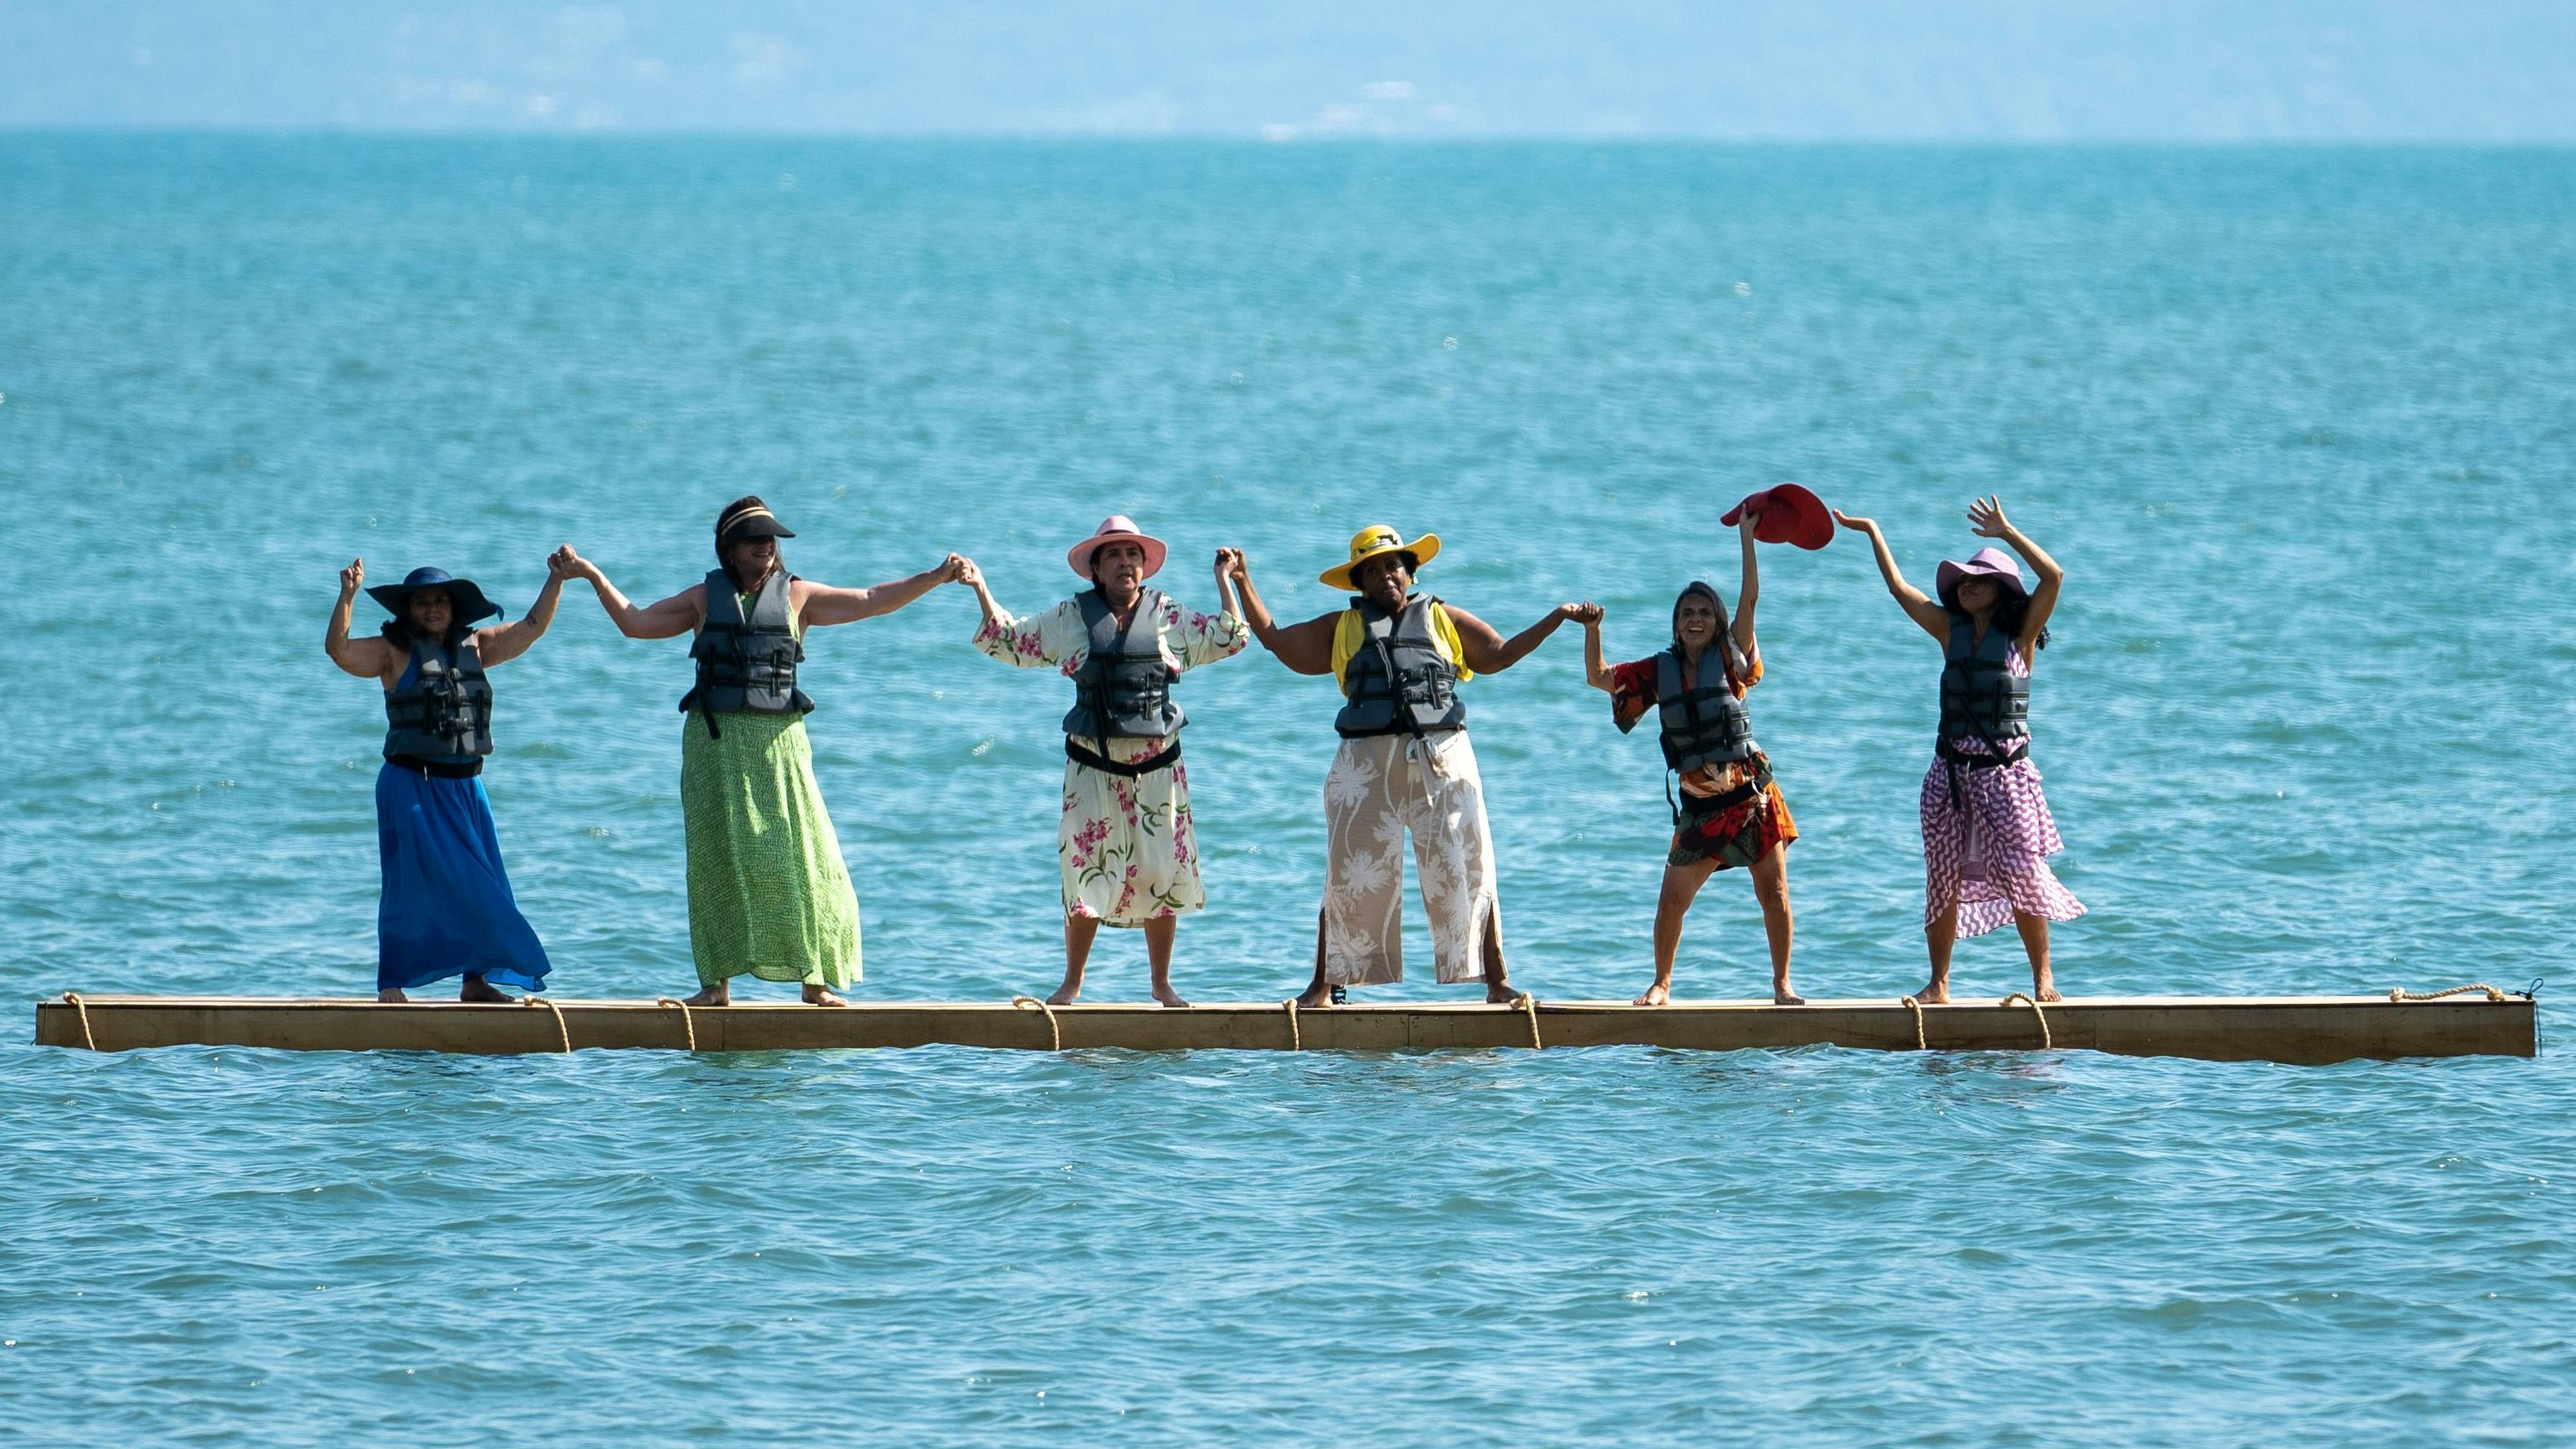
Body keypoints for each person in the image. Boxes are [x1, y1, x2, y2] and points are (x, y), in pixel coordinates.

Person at [559, 496, 965, 1006]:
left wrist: (935, 576)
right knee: (717, 858)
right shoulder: (703, 600)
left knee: (805, 856)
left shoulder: (798, 596)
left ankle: (815, 982)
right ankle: (715, 986)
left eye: (771, 538)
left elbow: (871, 597)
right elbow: (635, 622)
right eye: (754, 539)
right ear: (729, 549)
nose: (766, 546)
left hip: (780, 748)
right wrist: (592, 575)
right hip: (714, 749)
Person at [1229, 526, 1583, 1008]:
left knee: (1471, 865)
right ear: (1359, 582)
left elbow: (1499, 655)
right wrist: (1243, 580)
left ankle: (1497, 982)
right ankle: (1323, 986)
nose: (1385, 576)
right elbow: (1276, 641)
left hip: (1443, 756)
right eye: (1371, 570)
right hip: (1365, 763)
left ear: (1410, 572)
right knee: (1346, 873)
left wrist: (1557, 618)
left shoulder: (1440, 618)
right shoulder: (1343, 627)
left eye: (1393, 565)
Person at [958, 517, 1252, 1006]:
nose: (1125, 563)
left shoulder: (1167, 615)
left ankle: (1162, 985)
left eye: (1133, 555)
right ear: (1095, 569)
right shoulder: (1071, 618)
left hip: (1159, 770)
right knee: (1083, 873)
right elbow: (1008, 639)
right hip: (1092, 769)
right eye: (1113, 555)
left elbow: (1231, 636)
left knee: (1160, 873)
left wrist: (1225, 580)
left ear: (1144, 566)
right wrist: (980, 587)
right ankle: (1072, 983)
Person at [1835, 496, 2080, 1005]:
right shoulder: (1950, 631)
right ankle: (1938, 984)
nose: (1967, 585)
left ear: (2002, 590)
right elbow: (1899, 589)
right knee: (1941, 879)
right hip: (1947, 775)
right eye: (1963, 580)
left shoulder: (2021, 635)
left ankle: (2043, 979)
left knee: (2023, 872)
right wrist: (1873, 531)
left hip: (2004, 776)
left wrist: (2007, 532)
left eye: (1979, 579)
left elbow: (2054, 577)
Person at [1578, 501, 1802, 1006]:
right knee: (1671, 903)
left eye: (1704, 612)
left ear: (1718, 621)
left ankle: (1782, 985)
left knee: (1774, 895)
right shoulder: (1658, 671)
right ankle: (1661, 984)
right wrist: (1593, 632)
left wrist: (1747, 539)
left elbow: (1751, 597)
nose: (1695, 619)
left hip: (1753, 798)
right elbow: (1599, 677)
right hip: (1700, 807)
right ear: (1676, 624)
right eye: (1687, 613)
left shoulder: (1731, 655)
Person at [327, 557, 569, 1003]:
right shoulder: (391, 652)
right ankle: (391, 983)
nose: (433, 608)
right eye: (422, 602)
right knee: (409, 887)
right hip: (411, 784)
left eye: (440, 600)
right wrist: (347, 595)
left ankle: (475, 982)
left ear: (455, 608)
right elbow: (339, 651)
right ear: (408, 610)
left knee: (485, 883)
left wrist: (555, 578)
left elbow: (532, 626)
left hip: (466, 788)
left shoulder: (479, 646)